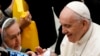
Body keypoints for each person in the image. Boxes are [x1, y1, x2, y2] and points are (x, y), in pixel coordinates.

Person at [35, 1, 100, 56]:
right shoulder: (72, 35)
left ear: (84, 24)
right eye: (62, 25)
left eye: (67, 26)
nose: (63, 31)